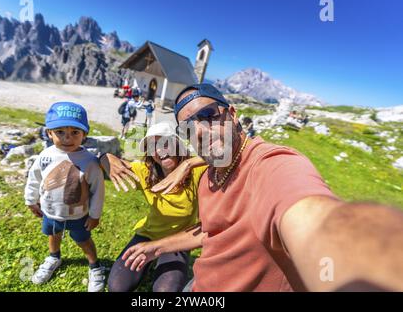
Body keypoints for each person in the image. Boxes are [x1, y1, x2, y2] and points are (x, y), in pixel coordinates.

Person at [118, 84, 403, 292]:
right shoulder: (208, 177)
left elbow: (316, 218)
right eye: (188, 128)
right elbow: (210, 232)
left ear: (232, 114)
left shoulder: (271, 164)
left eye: (207, 115)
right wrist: (157, 247)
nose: (200, 131)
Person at [99, 122, 207, 292]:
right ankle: (148, 263)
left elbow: (229, 153)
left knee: (165, 291)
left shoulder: (196, 171)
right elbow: (105, 164)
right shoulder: (145, 171)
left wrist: (188, 164)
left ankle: (156, 261)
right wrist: (105, 157)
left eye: (165, 143)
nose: (160, 151)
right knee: (117, 287)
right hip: (148, 235)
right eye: (153, 147)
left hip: (178, 240)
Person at [24, 102, 106, 292]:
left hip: (79, 215)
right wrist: (30, 200)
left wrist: (94, 215)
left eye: (75, 132)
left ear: (84, 134)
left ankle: (95, 266)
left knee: (84, 241)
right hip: (51, 212)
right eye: (60, 132)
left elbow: (98, 190)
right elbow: (34, 178)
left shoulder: (90, 162)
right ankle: (54, 257)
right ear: (49, 133)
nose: (67, 138)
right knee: (53, 234)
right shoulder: (45, 156)